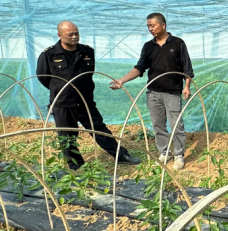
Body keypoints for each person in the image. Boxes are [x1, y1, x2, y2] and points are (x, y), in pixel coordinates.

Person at [36, 21, 141, 170]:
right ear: (59, 35)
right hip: (63, 102)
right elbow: (43, 77)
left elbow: (89, 74)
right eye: (70, 34)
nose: (74, 37)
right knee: (67, 135)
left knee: (98, 128)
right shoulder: (49, 54)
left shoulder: (87, 51)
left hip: (85, 100)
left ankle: (120, 155)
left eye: (76, 33)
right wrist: (60, 89)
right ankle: (77, 165)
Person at [110, 13, 194, 171]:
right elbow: (140, 67)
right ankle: (165, 152)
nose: (150, 29)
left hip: (172, 92)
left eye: (153, 25)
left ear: (163, 25)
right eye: (148, 26)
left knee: (176, 125)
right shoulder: (148, 46)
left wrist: (187, 86)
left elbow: (187, 68)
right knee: (158, 124)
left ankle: (178, 155)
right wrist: (122, 80)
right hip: (153, 92)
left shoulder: (178, 43)